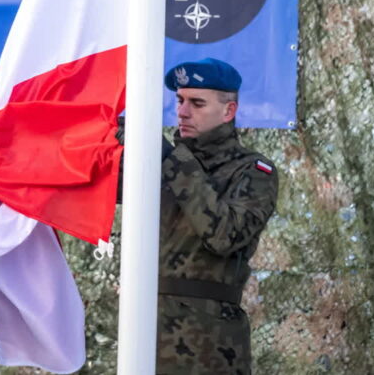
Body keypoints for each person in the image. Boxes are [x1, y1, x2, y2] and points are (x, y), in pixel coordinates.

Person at [118, 57, 278, 374]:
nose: (182, 112)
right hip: (144, 332)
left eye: (197, 103)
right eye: (179, 100)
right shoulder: (160, 162)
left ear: (228, 111)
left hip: (209, 343)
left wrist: (171, 160)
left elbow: (223, 235)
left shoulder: (254, 171)